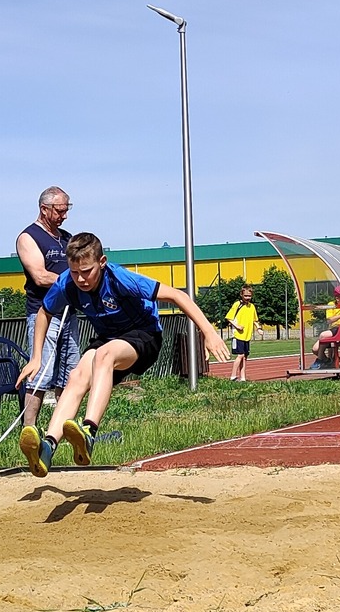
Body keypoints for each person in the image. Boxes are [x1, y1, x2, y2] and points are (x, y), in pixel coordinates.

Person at [16, 232, 229, 476]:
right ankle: (48, 446)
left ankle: (89, 432)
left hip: (144, 335)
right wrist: (36, 357)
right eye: (75, 272)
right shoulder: (66, 283)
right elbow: (44, 313)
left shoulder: (120, 279)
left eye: (87, 271)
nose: (81, 279)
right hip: (108, 338)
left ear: (102, 262)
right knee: (76, 376)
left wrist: (209, 333)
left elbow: (177, 295)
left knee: (104, 354)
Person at [15, 187, 80, 425]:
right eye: (60, 211)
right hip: (43, 314)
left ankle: (62, 427)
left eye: (66, 210)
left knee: (69, 375)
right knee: (40, 374)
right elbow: (40, 276)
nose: (64, 216)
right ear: (44, 209)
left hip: (69, 314)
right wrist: (75, 279)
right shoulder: (28, 237)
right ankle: (29, 428)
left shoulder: (67, 238)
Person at [224, 284, 258, 380]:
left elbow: (255, 320)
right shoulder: (237, 304)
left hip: (247, 336)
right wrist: (237, 326)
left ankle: (242, 377)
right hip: (238, 335)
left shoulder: (252, 307)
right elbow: (229, 317)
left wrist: (259, 328)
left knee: (245, 357)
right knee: (240, 355)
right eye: (246, 295)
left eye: (249, 296)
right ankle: (233, 376)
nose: (247, 298)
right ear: (241, 295)